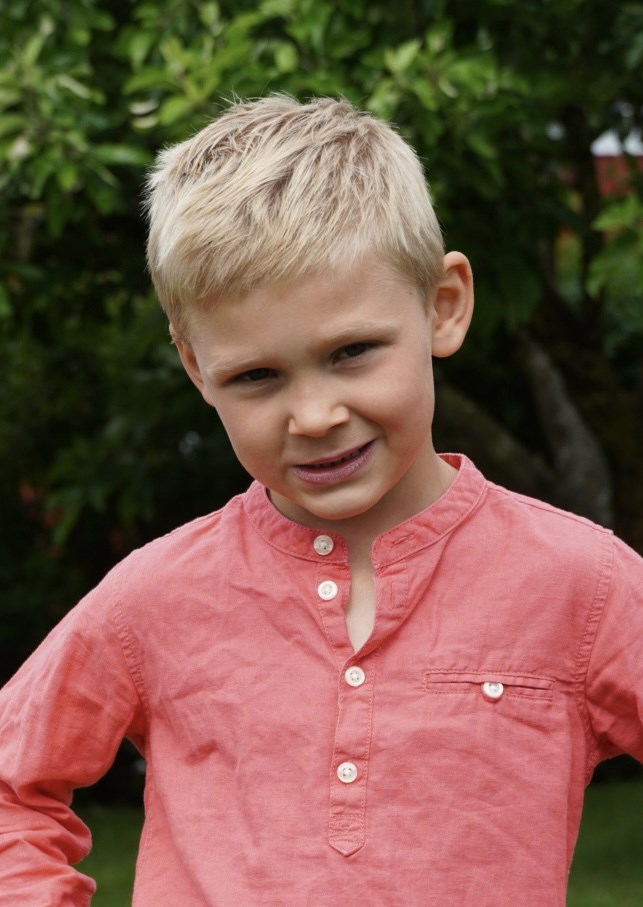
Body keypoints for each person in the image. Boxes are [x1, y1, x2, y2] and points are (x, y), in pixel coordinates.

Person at [0, 95, 641, 907]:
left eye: (351, 352)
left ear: (442, 304)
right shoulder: (151, 597)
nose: (312, 415)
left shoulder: (582, 583)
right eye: (256, 376)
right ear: (197, 368)